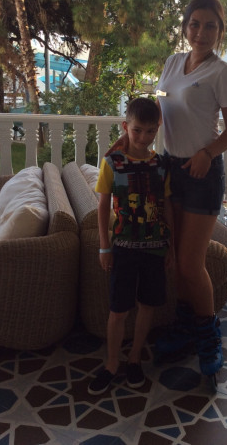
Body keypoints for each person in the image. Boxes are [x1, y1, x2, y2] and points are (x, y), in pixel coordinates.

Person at [153, 0, 227, 379]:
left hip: (203, 173)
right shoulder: (173, 63)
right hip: (170, 169)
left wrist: (207, 152)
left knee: (191, 262)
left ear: (220, 32)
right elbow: (162, 110)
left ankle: (208, 336)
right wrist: (133, 137)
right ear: (185, 27)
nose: (200, 32)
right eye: (194, 24)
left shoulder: (222, 72)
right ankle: (186, 326)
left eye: (209, 26)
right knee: (175, 259)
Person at [88, 97, 173, 395]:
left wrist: (171, 247)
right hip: (122, 248)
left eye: (150, 131)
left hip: (155, 247)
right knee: (118, 309)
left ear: (157, 130)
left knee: (147, 306)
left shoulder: (161, 165)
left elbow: (166, 206)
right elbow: (102, 206)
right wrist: (104, 247)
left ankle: (134, 358)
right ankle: (112, 363)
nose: (143, 137)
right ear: (126, 127)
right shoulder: (112, 163)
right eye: (137, 130)